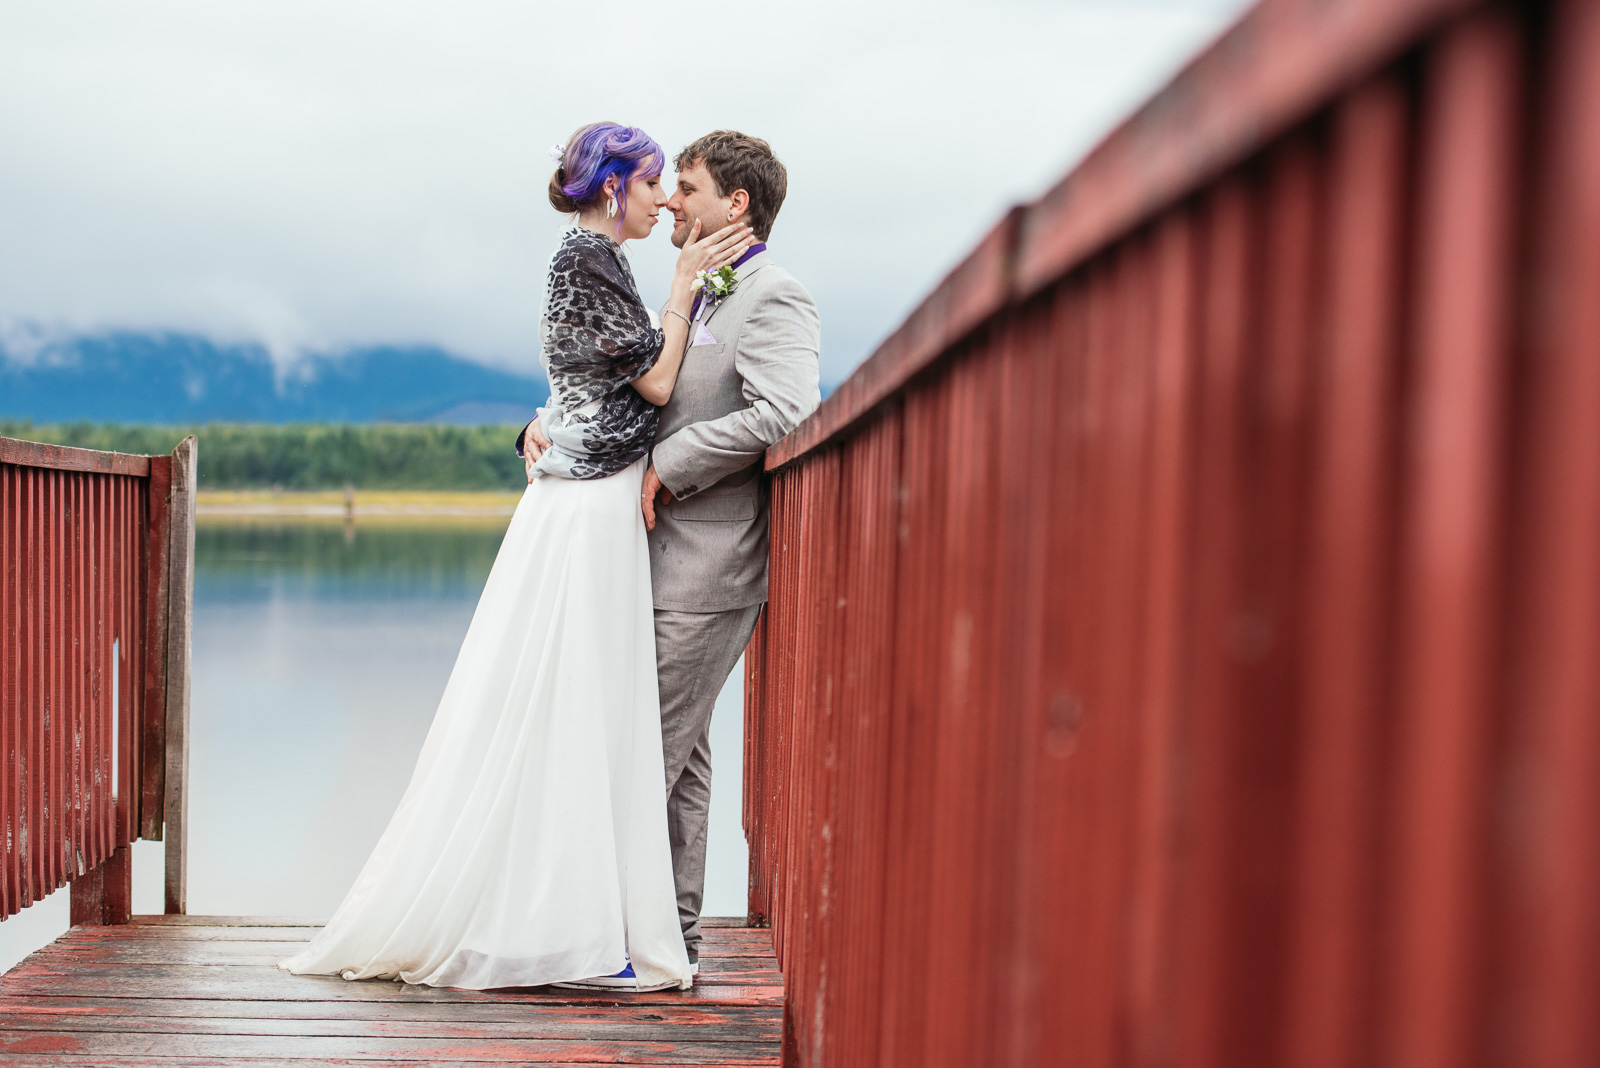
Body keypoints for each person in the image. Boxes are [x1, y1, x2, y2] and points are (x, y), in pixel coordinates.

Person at [278, 121, 755, 993]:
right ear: (616, 187)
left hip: (597, 498)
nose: (660, 201)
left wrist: (549, 416)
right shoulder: (587, 260)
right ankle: (559, 916)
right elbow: (651, 382)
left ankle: (582, 912)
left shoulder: (594, 264)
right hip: (588, 506)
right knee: (565, 697)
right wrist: (685, 286)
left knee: (587, 701)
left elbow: (580, 380)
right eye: (652, 185)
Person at [523, 130, 822, 972]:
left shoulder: (775, 294)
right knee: (677, 755)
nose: (671, 202)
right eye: (669, 186)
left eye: (686, 187)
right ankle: (666, 937)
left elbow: (787, 411)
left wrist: (668, 463)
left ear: (737, 204)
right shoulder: (700, 288)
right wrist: (547, 425)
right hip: (650, 556)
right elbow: (630, 386)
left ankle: (596, 935)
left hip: (709, 565)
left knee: (643, 748)